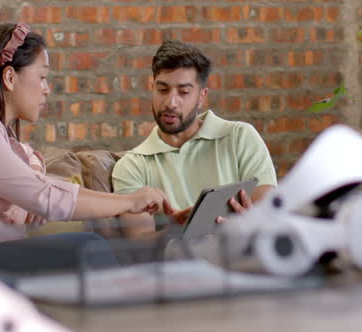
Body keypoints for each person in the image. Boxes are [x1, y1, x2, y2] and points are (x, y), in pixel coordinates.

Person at [0, 22, 173, 273]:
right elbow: (44, 195)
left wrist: (28, 189)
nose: (47, 89)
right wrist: (129, 202)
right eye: (42, 77)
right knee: (86, 247)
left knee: (84, 251)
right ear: (9, 77)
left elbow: (34, 178)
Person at [111, 40, 278, 237]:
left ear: (201, 96)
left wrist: (253, 224)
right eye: (162, 89)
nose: (170, 103)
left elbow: (271, 214)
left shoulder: (239, 137)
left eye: (184, 92)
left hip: (243, 254)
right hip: (181, 263)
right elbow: (138, 245)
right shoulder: (131, 166)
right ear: (152, 87)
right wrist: (177, 232)